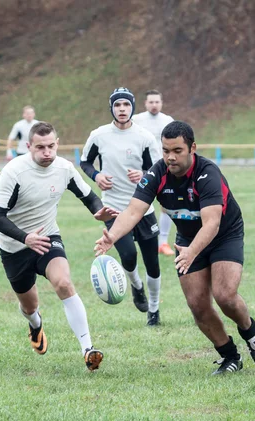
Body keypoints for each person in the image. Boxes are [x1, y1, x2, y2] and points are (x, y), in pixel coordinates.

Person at [94, 121, 255, 375]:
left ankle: (251, 334)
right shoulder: (156, 174)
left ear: (192, 148)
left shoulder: (207, 174)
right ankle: (229, 356)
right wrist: (111, 236)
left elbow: (212, 223)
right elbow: (133, 211)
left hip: (224, 235)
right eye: (165, 151)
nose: (170, 157)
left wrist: (192, 252)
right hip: (187, 239)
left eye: (177, 150)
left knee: (225, 295)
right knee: (197, 305)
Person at [0, 121, 117, 370]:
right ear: (29, 146)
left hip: (48, 237)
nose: (47, 152)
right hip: (14, 247)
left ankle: (88, 349)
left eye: (51, 146)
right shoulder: (13, 172)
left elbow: (88, 196)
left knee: (64, 283)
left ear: (57, 144)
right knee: (29, 306)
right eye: (40, 147)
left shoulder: (64, 168)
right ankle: (35, 324)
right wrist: (25, 237)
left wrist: (97, 211)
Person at [81, 87, 163, 326]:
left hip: (143, 208)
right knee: (128, 255)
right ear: (112, 108)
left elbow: (159, 170)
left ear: (132, 107)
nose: (122, 109)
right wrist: (96, 176)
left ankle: (154, 310)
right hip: (114, 207)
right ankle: (137, 287)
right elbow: (85, 162)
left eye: (126, 105)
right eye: (118, 105)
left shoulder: (145, 137)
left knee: (153, 264)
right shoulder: (99, 135)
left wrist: (144, 175)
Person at [133, 90, 175, 256]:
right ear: (145, 103)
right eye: (151, 102)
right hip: (141, 171)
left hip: (164, 168)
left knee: (167, 204)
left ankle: (163, 242)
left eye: (157, 102)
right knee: (138, 204)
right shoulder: (136, 121)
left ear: (161, 102)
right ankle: (134, 238)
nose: (154, 105)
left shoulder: (168, 121)